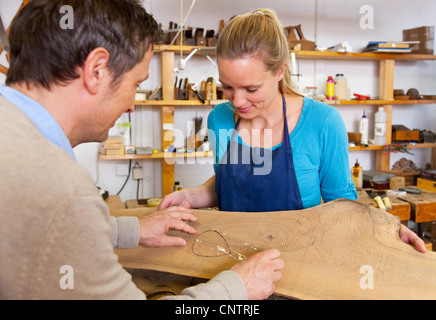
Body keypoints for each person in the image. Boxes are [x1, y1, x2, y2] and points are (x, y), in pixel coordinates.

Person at [0, 0, 284, 300]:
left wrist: (128, 230)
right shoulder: (60, 189)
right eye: (136, 84)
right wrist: (235, 289)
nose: (132, 106)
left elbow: (45, 229)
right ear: (96, 70)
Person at [159, 9, 427, 253]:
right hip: (231, 260)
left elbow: (345, 209)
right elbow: (228, 184)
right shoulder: (220, 119)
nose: (237, 101)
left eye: (251, 89)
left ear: (279, 71)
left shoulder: (323, 123)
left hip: (299, 264)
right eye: (227, 87)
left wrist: (383, 228)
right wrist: (190, 196)